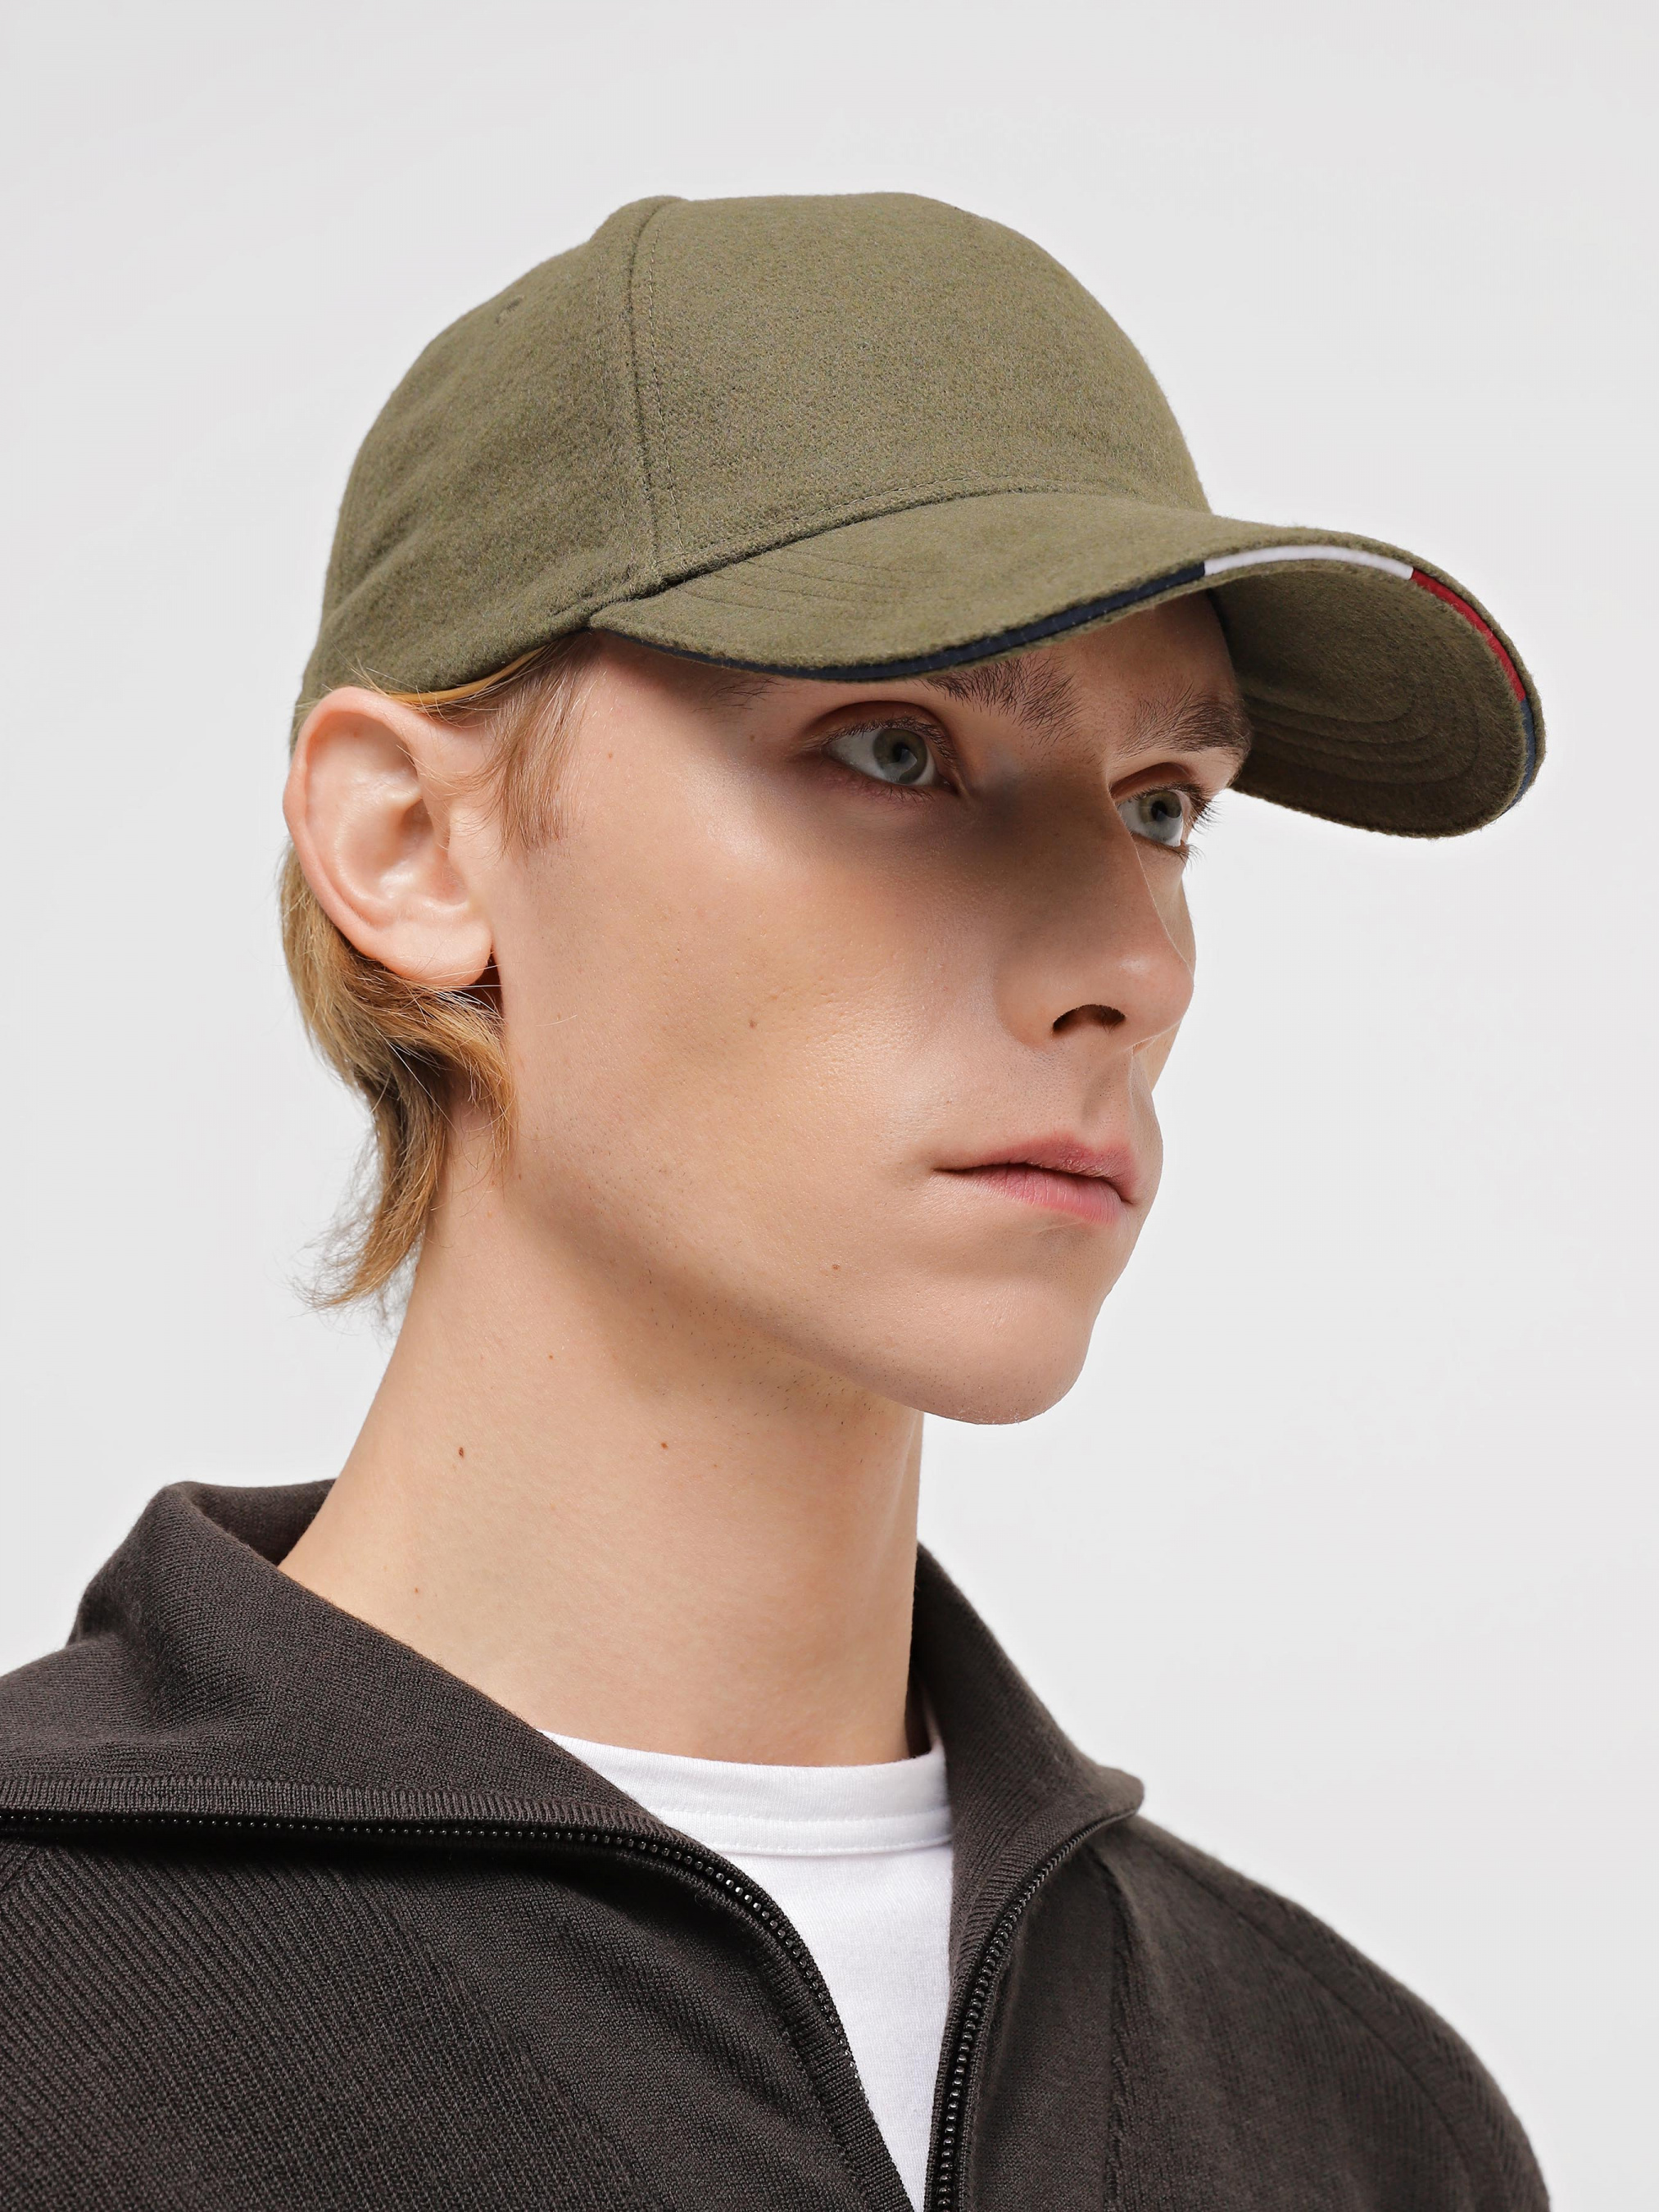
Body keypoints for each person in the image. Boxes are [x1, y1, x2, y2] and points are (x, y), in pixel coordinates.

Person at [0, 194, 1548, 2210]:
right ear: (411, 848)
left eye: (1164, 805)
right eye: (895, 749)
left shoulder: (1351, 2119)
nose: (1126, 959)